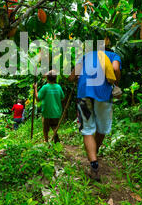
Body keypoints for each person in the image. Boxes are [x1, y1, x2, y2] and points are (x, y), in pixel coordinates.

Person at [69, 43, 121, 182]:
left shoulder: (85, 57)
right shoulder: (113, 56)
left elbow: (72, 76)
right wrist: (116, 85)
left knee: (87, 129)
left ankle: (94, 164)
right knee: (102, 128)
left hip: (84, 92)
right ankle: (94, 154)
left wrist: (75, 79)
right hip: (103, 93)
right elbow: (115, 68)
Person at [34, 70, 65, 143]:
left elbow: (38, 98)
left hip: (46, 111)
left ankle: (46, 141)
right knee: (54, 126)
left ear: (47, 78)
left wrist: (35, 88)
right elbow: (62, 97)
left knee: (46, 127)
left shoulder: (45, 87)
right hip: (56, 111)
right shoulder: (58, 87)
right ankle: (55, 136)